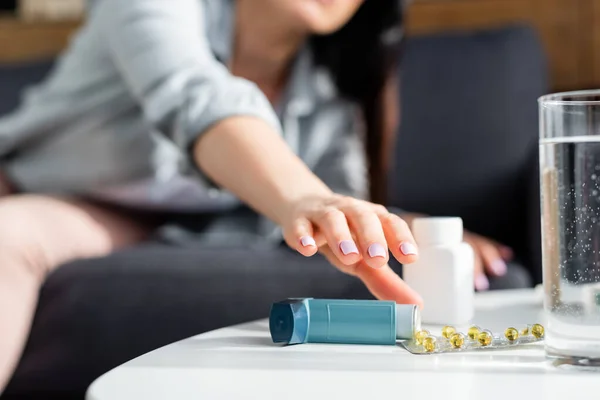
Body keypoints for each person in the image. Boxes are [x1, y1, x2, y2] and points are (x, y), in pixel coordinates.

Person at [0, 0, 516, 392]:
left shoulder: (331, 75)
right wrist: (306, 200)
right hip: (50, 192)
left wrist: (402, 225)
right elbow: (195, 97)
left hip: (181, 223)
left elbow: (337, 194)